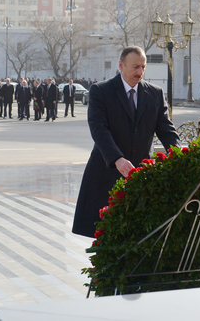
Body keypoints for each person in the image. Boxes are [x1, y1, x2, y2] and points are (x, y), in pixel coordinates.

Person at [72, 46, 180, 238]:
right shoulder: (101, 91)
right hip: (107, 172)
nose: (140, 72)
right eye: (135, 67)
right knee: (105, 235)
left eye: (143, 67)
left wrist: (178, 155)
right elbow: (99, 129)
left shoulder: (154, 94)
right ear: (121, 65)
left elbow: (166, 130)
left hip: (139, 176)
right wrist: (117, 159)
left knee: (137, 235)